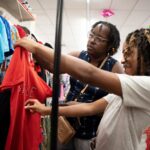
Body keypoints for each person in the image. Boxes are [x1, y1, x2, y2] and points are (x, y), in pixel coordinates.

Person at [15, 28, 150, 150]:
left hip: (87, 134)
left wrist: (37, 47)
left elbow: (90, 74)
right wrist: (45, 110)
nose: (122, 60)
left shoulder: (146, 86)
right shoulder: (128, 88)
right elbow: (89, 107)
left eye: (129, 54)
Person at [56, 21, 123, 150]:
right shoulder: (78, 56)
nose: (92, 40)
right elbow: (54, 64)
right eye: (91, 35)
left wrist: (85, 108)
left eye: (99, 39)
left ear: (110, 45)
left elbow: (117, 106)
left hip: (90, 134)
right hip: (64, 124)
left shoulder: (115, 67)